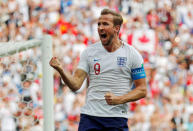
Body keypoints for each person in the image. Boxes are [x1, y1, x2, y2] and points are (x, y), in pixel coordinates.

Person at [50, 8, 147, 131]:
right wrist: (61, 70)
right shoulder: (89, 52)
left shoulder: (132, 55)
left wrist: (120, 99)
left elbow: (142, 90)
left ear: (117, 28)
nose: (100, 27)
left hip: (116, 118)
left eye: (105, 24)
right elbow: (75, 85)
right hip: (90, 118)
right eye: (99, 24)